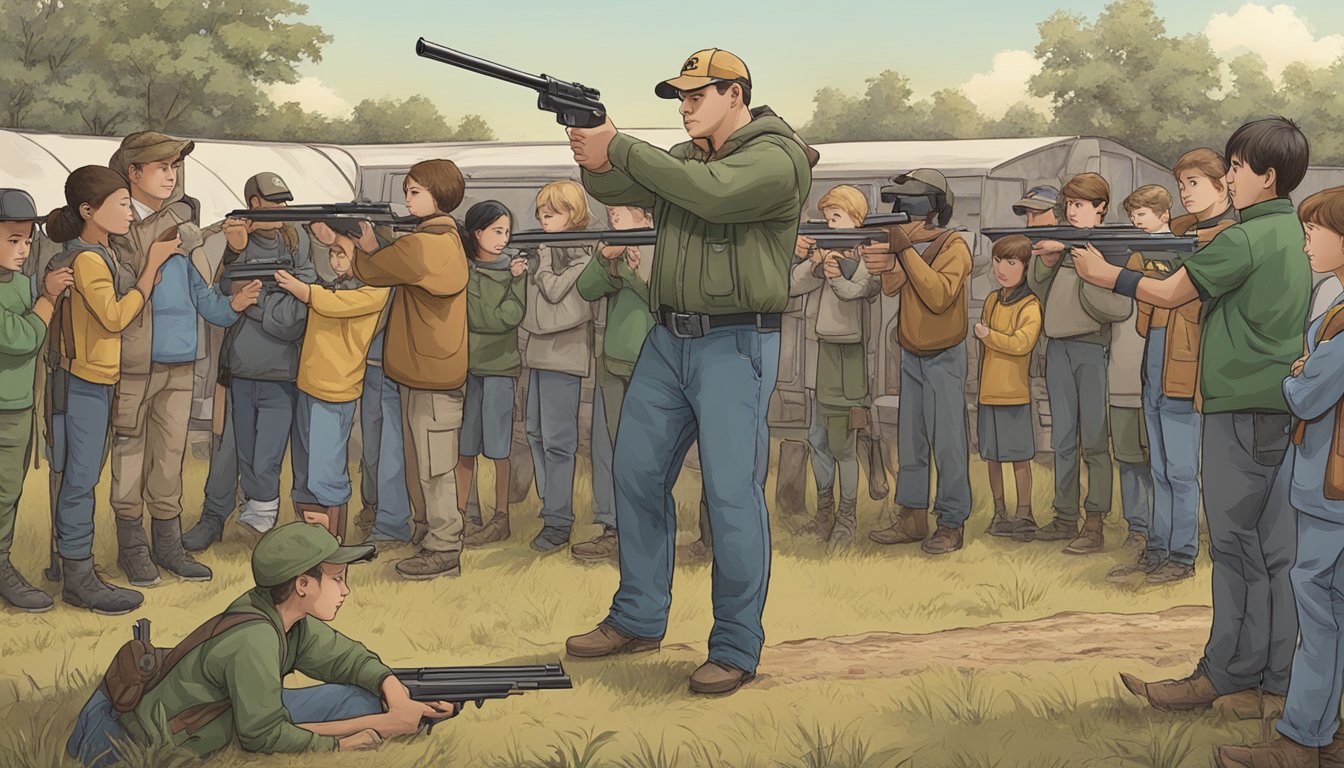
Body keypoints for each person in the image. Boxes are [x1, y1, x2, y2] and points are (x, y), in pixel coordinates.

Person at [564, 47, 816, 695]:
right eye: (680, 97)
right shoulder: (685, 160)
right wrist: (594, 151)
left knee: (731, 495)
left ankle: (735, 645)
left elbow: (711, 197)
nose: (684, 108)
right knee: (635, 475)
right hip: (667, 337)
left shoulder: (776, 157)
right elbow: (618, 185)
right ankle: (639, 615)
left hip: (734, 346)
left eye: (697, 96)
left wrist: (619, 143)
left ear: (737, 95)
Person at [1074, 117, 1312, 720]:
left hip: (1239, 408)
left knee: (1235, 551)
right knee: (1273, 553)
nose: (1228, 177)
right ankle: (1269, 683)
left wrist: (1105, 274)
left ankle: (1225, 676)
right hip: (1279, 407)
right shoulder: (1289, 229)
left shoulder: (1243, 237)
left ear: (1268, 176)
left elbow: (1170, 292)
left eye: (1236, 168)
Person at [66, 522, 460, 767]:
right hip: (118, 745)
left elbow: (345, 657)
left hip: (214, 713)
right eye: (337, 578)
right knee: (362, 711)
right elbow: (264, 737)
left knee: (360, 697)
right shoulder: (253, 640)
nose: (345, 590)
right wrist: (365, 731)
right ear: (303, 585)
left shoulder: (283, 615)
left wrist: (396, 693)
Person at [1214, 186, 1344, 768]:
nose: (1306, 239)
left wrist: (1298, 375)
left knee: (1319, 608)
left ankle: (1300, 743)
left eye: (1317, 230)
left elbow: (1309, 394)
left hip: (1330, 489)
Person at [44, 166, 175, 614]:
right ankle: (79, 579)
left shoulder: (97, 252)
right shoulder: (87, 259)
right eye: (120, 204)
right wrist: (150, 273)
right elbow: (115, 317)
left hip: (91, 379)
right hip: (82, 382)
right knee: (79, 480)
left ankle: (74, 569)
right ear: (88, 211)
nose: (128, 211)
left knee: (79, 477)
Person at [106, 131, 231, 587]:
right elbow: (119, 290)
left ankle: (168, 545)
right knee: (131, 451)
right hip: (135, 360)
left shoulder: (182, 221)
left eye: (174, 166)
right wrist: (156, 258)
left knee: (170, 455)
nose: (171, 175)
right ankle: (133, 548)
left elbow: (201, 284)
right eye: (161, 166)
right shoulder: (117, 226)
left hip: (181, 357)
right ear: (133, 172)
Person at [346, 159, 470, 581]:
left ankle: (444, 545)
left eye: (415, 192)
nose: (407, 199)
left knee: (435, 464)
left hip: (431, 373)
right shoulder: (434, 238)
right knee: (426, 461)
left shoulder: (428, 244)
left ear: (439, 194)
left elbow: (377, 269)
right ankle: (431, 534)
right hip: (425, 369)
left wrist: (358, 246)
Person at [1109, 179, 1220, 585]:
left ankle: (1182, 553)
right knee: (1159, 464)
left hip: (1180, 359)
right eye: (1134, 216)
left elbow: (1184, 297)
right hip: (1154, 355)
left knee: (1180, 467)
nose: (1137, 223)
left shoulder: (1191, 249)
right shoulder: (1145, 252)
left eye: (1142, 215)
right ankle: (1158, 547)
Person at [1020, 172, 1133, 554]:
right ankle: (1065, 516)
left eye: (1080, 205)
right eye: (1069, 205)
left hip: (1092, 351)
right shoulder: (1065, 243)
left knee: (1096, 441)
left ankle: (1095, 521)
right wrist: (1051, 260)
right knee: (1064, 439)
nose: (1072, 212)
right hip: (1058, 350)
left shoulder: (1111, 248)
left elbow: (1116, 307)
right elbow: (1039, 288)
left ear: (1101, 208)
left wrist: (1090, 270)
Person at [861, 169, 973, 555]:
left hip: (944, 354)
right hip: (912, 351)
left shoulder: (953, 245)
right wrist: (890, 255)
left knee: (948, 442)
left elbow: (939, 295)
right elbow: (893, 286)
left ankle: (952, 521)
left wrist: (904, 250)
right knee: (911, 440)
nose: (901, 209)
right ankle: (911, 516)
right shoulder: (906, 241)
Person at [218, 173, 316, 535]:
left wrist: (254, 304)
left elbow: (298, 312)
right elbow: (225, 293)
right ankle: (253, 509)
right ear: (254, 203)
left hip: (281, 370)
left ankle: (263, 511)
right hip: (243, 368)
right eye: (274, 202)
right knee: (245, 446)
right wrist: (238, 252)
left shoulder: (296, 239)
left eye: (284, 202)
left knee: (268, 453)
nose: (282, 210)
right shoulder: (235, 241)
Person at [278, 233, 389, 542]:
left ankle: (331, 544)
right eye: (333, 253)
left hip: (336, 390)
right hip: (309, 385)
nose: (336, 260)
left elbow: (331, 304)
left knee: (326, 473)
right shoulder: (334, 286)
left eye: (343, 253)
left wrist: (303, 290)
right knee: (303, 472)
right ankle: (309, 541)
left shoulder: (373, 291)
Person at [793, 186, 881, 544]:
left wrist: (834, 271)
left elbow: (855, 290)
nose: (829, 223)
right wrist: (815, 263)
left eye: (836, 217)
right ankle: (824, 512)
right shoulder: (827, 256)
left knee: (844, 446)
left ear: (856, 222)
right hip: (822, 357)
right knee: (818, 439)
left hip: (849, 361)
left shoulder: (868, 260)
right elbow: (791, 286)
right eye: (827, 217)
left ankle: (846, 519)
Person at [0, 189, 73, 612]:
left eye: (27, 240)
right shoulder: (27, 292)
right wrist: (47, 298)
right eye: (13, 239)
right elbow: (23, 338)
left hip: (18, 409)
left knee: (8, 493)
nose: (23, 249)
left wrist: (41, 292)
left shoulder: (19, 284)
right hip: (5, 411)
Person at [571, 205, 655, 559]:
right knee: (607, 448)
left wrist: (629, 273)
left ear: (644, 215)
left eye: (620, 211)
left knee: (640, 449)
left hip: (648, 360)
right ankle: (612, 527)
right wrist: (606, 257)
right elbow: (587, 289)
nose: (613, 217)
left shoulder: (659, 245)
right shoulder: (613, 248)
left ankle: (641, 532)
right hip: (612, 359)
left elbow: (659, 299)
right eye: (610, 212)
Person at [520, 181, 595, 553]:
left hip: (563, 356)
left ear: (572, 214)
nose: (543, 220)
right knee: (534, 432)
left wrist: (544, 257)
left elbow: (552, 290)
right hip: (538, 353)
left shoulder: (581, 256)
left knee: (559, 443)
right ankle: (551, 507)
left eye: (551, 214)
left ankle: (559, 520)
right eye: (541, 214)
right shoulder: (549, 255)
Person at [456, 201, 527, 546]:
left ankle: (501, 517)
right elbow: (481, 316)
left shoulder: (515, 269)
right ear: (478, 233)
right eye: (497, 231)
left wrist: (513, 283)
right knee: (465, 446)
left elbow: (509, 316)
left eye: (507, 232)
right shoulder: (465, 270)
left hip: (501, 367)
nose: (503, 239)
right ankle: (463, 515)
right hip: (468, 368)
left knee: (499, 449)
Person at [975, 235, 1042, 537]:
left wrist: (988, 336)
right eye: (998, 261)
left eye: (1011, 262)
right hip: (988, 392)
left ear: (1026, 267)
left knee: (1018, 457)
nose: (1002, 268)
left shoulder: (1030, 304)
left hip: (1014, 394)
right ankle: (999, 511)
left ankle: (1024, 514)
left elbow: (1022, 343)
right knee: (992, 456)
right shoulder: (991, 299)